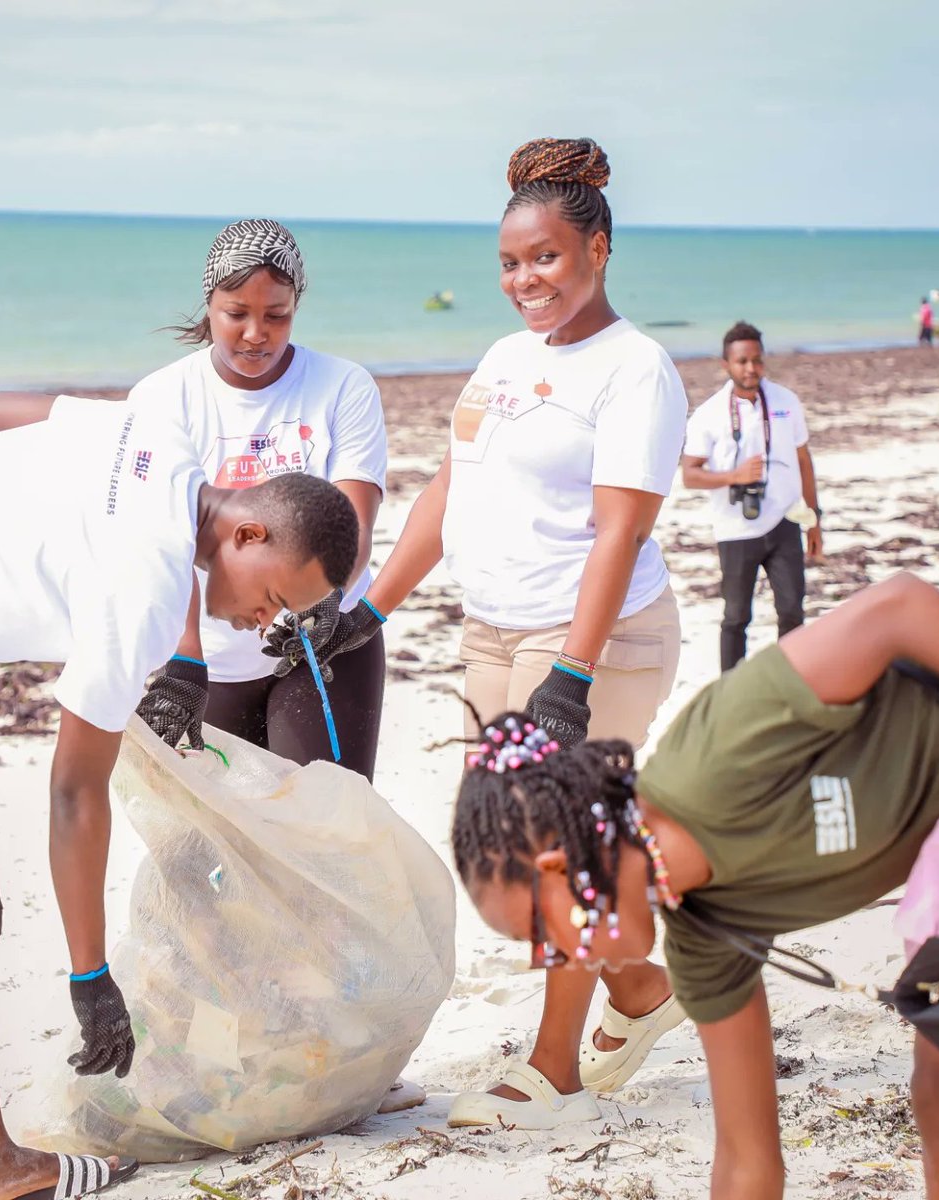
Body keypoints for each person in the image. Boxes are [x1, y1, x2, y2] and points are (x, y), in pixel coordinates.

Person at [0, 402, 357, 1200]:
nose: (268, 625)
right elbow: (76, 794)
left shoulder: (155, 433)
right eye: (281, 600)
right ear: (250, 534)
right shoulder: (143, 597)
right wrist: (90, 976)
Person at [267, 137, 689, 1129]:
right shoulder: (504, 359)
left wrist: (573, 674)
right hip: (493, 633)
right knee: (506, 851)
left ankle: (555, 1067)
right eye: (509, 262)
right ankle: (637, 992)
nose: (524, 280)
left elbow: (623, 530)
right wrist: (363, 610)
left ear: (598, 248)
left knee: (555, 843)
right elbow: (449, 494)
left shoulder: (637, 370)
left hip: (596, 634)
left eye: (545, 257)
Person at [450, 572, 939, 1199]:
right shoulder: (703, 944)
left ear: (557, 867)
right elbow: (746, 1160)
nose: (561, 959)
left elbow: (899, 606)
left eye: (545, 935)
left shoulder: (721, 749)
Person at [0, 218, 388, 780]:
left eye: (277, 315)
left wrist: (325, 601)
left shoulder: (344, 386)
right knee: (218, 848)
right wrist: (186, 655)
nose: (256, 333)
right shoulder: (163, 395)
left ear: (297, 306)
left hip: (322, 647)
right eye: (235, 313)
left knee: (320, 832)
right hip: (210, 654)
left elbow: (354, 520)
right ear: (209, 304)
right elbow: (161, 539)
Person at [682, 321, 823, 674]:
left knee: (792, 611)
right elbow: (690, 475)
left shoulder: (786, 401)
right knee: (736, 617)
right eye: (742, 361)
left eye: (757, 360)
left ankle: (792, 685)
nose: (751, 368)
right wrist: (734, 476)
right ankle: (730, 694)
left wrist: (814, 519)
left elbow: (804, 460)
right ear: (726, 365)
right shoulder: (709, 414)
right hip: (736, 529)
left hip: (786, 520)